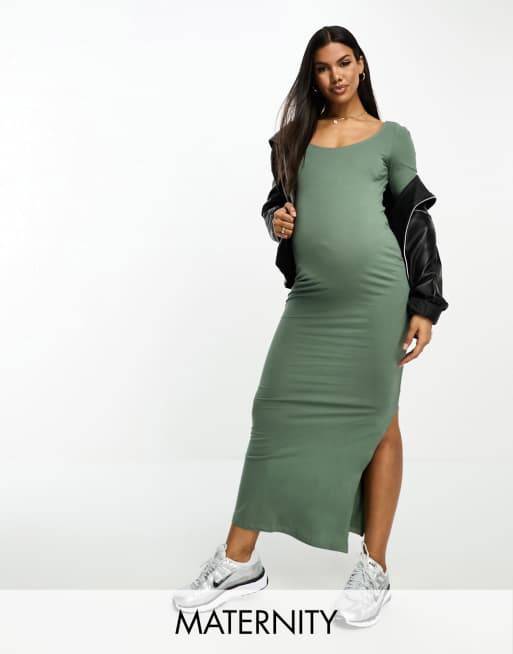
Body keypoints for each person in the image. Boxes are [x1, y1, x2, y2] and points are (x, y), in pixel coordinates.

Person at [173, 25, 449, 628]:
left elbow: (415, 220)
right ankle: (239, 561)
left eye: (344, 63)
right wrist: (277, 217)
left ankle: (374, 568)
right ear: (313, 76)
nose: (336, 76)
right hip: (313, 300)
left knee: (380, 423)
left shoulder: (391, 137)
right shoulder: (293, 139)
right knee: (272, 411)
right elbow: (279, 204)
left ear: (361, 65)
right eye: (324, 68)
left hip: (378, 299)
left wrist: (425, 303)